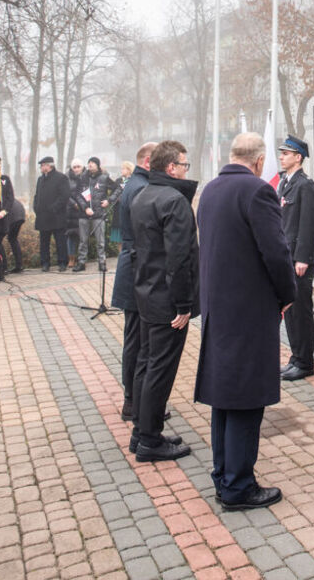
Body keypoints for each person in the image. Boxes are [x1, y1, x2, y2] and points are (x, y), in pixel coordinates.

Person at [195, 132, 296, 511]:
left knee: (224, 397)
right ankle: (239, 487)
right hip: (249, 311)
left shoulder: (210, 189)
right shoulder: (257, 191)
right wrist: (287, 296)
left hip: (219, 308)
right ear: (258, 162)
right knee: (246, 399)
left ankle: (224, 476)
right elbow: (276, 252)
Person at [130, 140, 198, 462]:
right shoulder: (173, 200)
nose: (187, 170)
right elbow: (179, 258)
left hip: (146, 294)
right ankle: (149, 440)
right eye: (184, 165)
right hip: (167, 302)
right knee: (160, 369)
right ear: (171, 167)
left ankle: (141, 431)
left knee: (146, 364)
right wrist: (183, 304)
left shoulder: (144, 196)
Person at [111, 142, 157, 422]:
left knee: (135, 338)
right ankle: (134, 400)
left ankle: (133, 399)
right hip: (137, 270)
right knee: (138, 340)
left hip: (132, 266)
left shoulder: (137, 182)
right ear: (149, 161)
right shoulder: (141, 187)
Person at [277, 135, 314, 382]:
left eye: (285, 153)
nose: (281, 157)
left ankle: (305, 362)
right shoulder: (285, 183)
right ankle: (296, 357)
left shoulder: (305, 185)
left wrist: (302, 257)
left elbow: (308, 224)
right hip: (287, 257)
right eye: (281, 153)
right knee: (290, 312)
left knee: (301, 311)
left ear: (298, 157)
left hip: (299, 260)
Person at [74, 156, 113, 272]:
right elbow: (77, 195)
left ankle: (102, 262)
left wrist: (109, 200)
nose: (90, 164)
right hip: (84, 215)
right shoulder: (82, 178)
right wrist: (85, 208)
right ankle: (81, 263)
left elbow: (118, 189)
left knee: (100, 241)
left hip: (99, 214)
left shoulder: (104, 178)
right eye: (89, 163)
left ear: (97, 165)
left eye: (93, 163)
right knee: (83, 241)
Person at [33, 156, 70, 272]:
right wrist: (36, 207)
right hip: (43, 216)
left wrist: (54, 208)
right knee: (44, 242)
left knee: (60, 241)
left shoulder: (61, 178)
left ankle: (62, 262)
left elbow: (64, 196)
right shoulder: (40, 179)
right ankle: (45, 263)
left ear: (49, 166)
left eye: (42, 165)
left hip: (56, 216)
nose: (41, 167)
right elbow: (36, 195)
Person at [66, 159, 88, 268]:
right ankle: (71, 258)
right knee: (71, 235)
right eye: (74, 167)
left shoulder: (87, 177)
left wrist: (84, 204)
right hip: (71, 210)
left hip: (84, 209)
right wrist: (74, 203)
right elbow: (65, 193)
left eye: (78, 166)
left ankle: (82, 258)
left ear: (82, 167)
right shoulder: (67, 178)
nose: (76, 169)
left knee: (83, 236)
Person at [107, 161, 134, 248]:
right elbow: (112, 194)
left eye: (123, 168)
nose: (121, 170)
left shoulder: (134, 180)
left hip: (130, 212)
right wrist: (115, 198)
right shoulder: (118, 181)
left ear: (129, 170)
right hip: (119, 211)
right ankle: (120, 257)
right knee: (119, 239)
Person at [0, 153, 15, 282]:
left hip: (1, 219)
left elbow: (10, 198)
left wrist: (3, 212)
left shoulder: (4, 179)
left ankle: (0, 272)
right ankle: (2, 270)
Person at [5, 196, 25, 273]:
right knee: (12, 239)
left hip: (13, 216)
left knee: (0, 241)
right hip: (20, 215)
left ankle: (4, 267)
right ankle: (19, 265)